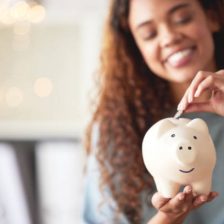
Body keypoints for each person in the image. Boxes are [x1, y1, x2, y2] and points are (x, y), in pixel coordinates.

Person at [82, 0, 224, 223]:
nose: (169, 38)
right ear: (136, 48)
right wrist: (169, 217)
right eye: (149, 34)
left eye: (182, 19)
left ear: (212, 18)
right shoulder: (118, 132)